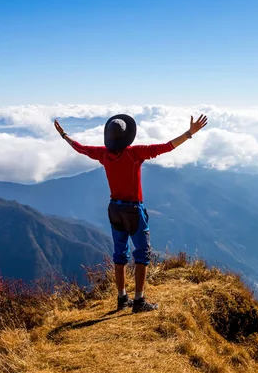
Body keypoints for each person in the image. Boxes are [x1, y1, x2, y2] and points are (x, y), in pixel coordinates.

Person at [54, 114, 208, 313]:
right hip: (133, 210)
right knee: (142, 254)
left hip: (114, 209)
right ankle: (139, 301)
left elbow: (81, 148)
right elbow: (166, 146)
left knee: (120, 254)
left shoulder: (103, 154)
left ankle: (121, 298)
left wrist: (64, 135)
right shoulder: (135, 153)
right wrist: (189, 133)